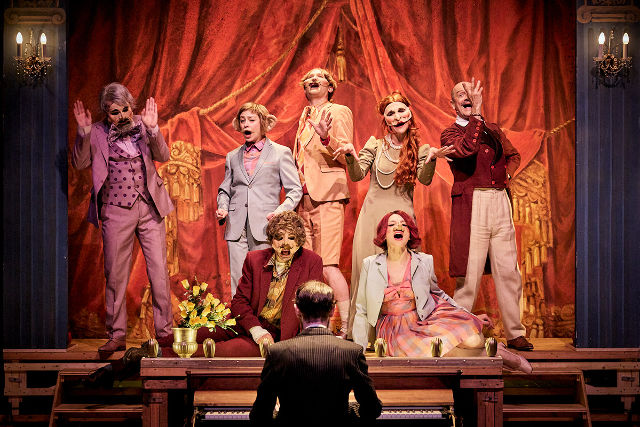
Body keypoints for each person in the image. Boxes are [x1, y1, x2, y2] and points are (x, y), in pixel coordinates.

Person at [333, 91, 454, 338]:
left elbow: (425, 180)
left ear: (410, 114)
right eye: (391, 113)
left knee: (401, 276)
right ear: (385, 120)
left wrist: (431, 159)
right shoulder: (375, 146)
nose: (397, 116)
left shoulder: (421, 149)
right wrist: (350, 155)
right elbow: (357, 175)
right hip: (372, 218)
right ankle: (364, 335)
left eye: (401, 111)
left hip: (402, 219)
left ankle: (399, 333)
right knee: (368, 276)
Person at [352, 211, 531, 372]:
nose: (398, 227)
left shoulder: (424, 261)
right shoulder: (371, 264)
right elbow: (361, 309)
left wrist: (470, 316)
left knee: (474, 340)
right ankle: (498, 354)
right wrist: (358, 351)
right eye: (392, 224)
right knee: (438, 350)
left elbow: (439, 294)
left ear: (409, 234)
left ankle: (494, 351)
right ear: (384, 233)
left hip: (425, 318)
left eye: (403, 224)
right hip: (395, 329)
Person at [72, 83, 174, 353]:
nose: (122, 116)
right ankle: (116, 335)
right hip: (116, 209)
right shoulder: (96, 131)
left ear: (132, 106)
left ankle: (165, 333)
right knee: (115, 275)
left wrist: (153, 129)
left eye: (126, 109)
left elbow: (163, 155)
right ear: (106, 112)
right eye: (115, 112)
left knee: (159, 272)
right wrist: (83, 133)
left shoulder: (143, 124)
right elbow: (79, 163)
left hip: (150, 207)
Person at [441, 78, 533, 351]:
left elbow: (513, 155)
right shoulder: (450, 134)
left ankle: (515, 332)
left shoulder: (493, 130)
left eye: (470, 93)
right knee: (469, 274)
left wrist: (507, 175)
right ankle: (459, 331)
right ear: (453, 103)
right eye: (461, 94)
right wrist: (478, 116)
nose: (467, 97)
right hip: (473, 202)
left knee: (508, 269)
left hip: (499, 199)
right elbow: (467, 149)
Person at [250, 280, 382, 425]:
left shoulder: (277, 353)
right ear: (332, 310)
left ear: (297, 309)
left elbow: (260, 414)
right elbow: (372, 408)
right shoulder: (352, 352)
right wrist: (349, 410)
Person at [197, 211, 323, 356]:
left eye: (292, 238)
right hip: (247, 323)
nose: (285, 244)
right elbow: (239, 301)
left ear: (299, 240)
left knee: (223, 350)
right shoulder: (255, 259)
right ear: (271, 239)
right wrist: (256, 329)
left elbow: (316, 307)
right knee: (193, 335)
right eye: (279, 237)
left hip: (277, 335)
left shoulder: (312, 262)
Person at [217, 103, 303, 297]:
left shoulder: (280, 153)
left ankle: (263, 317)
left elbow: (295, 190)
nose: (246, 124)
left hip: (265, 224)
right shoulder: (232, 156)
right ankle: (240, 316)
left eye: (251, 120)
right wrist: (223, 207)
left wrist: (279, 212)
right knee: (239, 281)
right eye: (242, 120)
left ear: (262, 123)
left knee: (264, 279)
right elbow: (224, 190)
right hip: (236, 226)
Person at [292, 68, 352, 336]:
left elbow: (346, 155)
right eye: (308, 78)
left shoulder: (338, 111)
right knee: (309, 267)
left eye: (320, 76)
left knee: (328, 265)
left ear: (330, 86)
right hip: (302, 199)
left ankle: (346, 328)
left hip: (327, 195)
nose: (313, 79)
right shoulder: (304, 117)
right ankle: (311, 328)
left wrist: (327, 137)